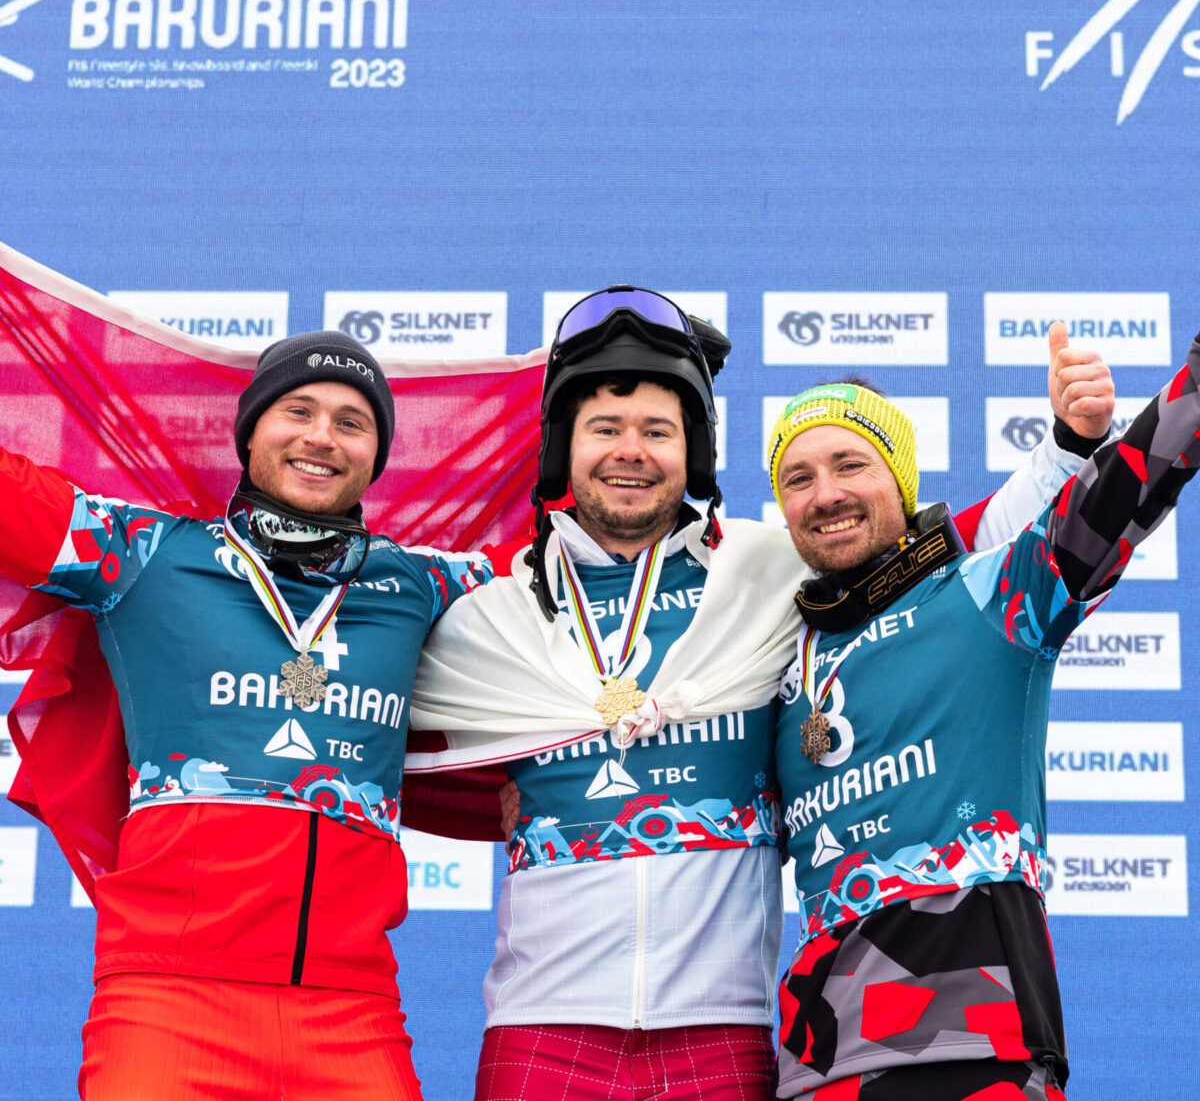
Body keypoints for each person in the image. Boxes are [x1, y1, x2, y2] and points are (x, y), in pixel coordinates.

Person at [409, 287, 1114, 1100]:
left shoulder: (774, 570)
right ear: (563, 450)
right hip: (540, 1030)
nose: (629, 451)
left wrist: (1065, 448)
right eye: (604, 429)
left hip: (723, 1035)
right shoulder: (492, 605)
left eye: (658, 432)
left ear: (695, 452)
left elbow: (958, 558)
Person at [0, 330, 490, 1100]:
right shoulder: (143, 554)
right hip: (165, 1002)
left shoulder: (427, 585)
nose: (322, 436)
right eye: (297, 410)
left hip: (352, 1014)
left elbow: (582, 554)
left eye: (352, 422)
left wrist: (638, 381)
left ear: (375, 456)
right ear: (250, 431)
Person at [768, 325, 1198, 1099]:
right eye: (797, 478)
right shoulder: (775, 660)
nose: (824, 492)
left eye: (850, 464)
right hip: (815, 1068)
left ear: (899, 481)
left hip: (978, 1045)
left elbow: (1128, 488)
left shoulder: (991, 593)